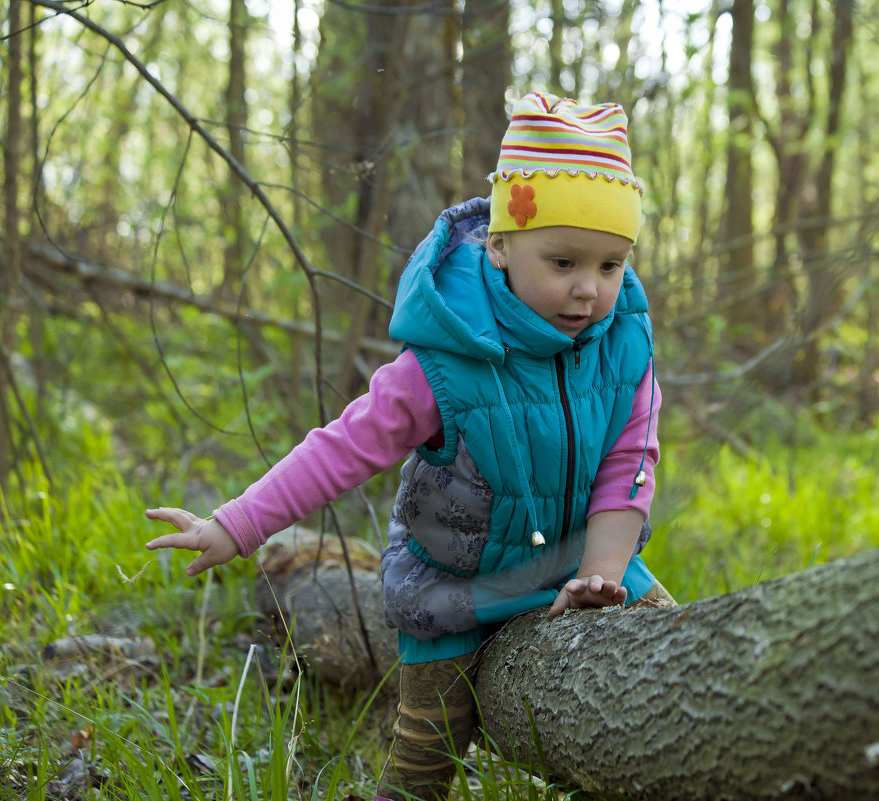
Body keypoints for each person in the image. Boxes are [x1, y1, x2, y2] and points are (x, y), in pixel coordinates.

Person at [145, 90, 674, 800]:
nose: (589, 289)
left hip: (583, 563)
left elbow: (628, 465)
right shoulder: (443, 363)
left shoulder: (624, 349)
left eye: (611, 266)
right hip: (458, 585)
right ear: (500, 245)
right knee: (426, 753)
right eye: (563, 261)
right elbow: (342, 448)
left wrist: (602, 577)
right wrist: (235, 524)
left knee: (674, 653)